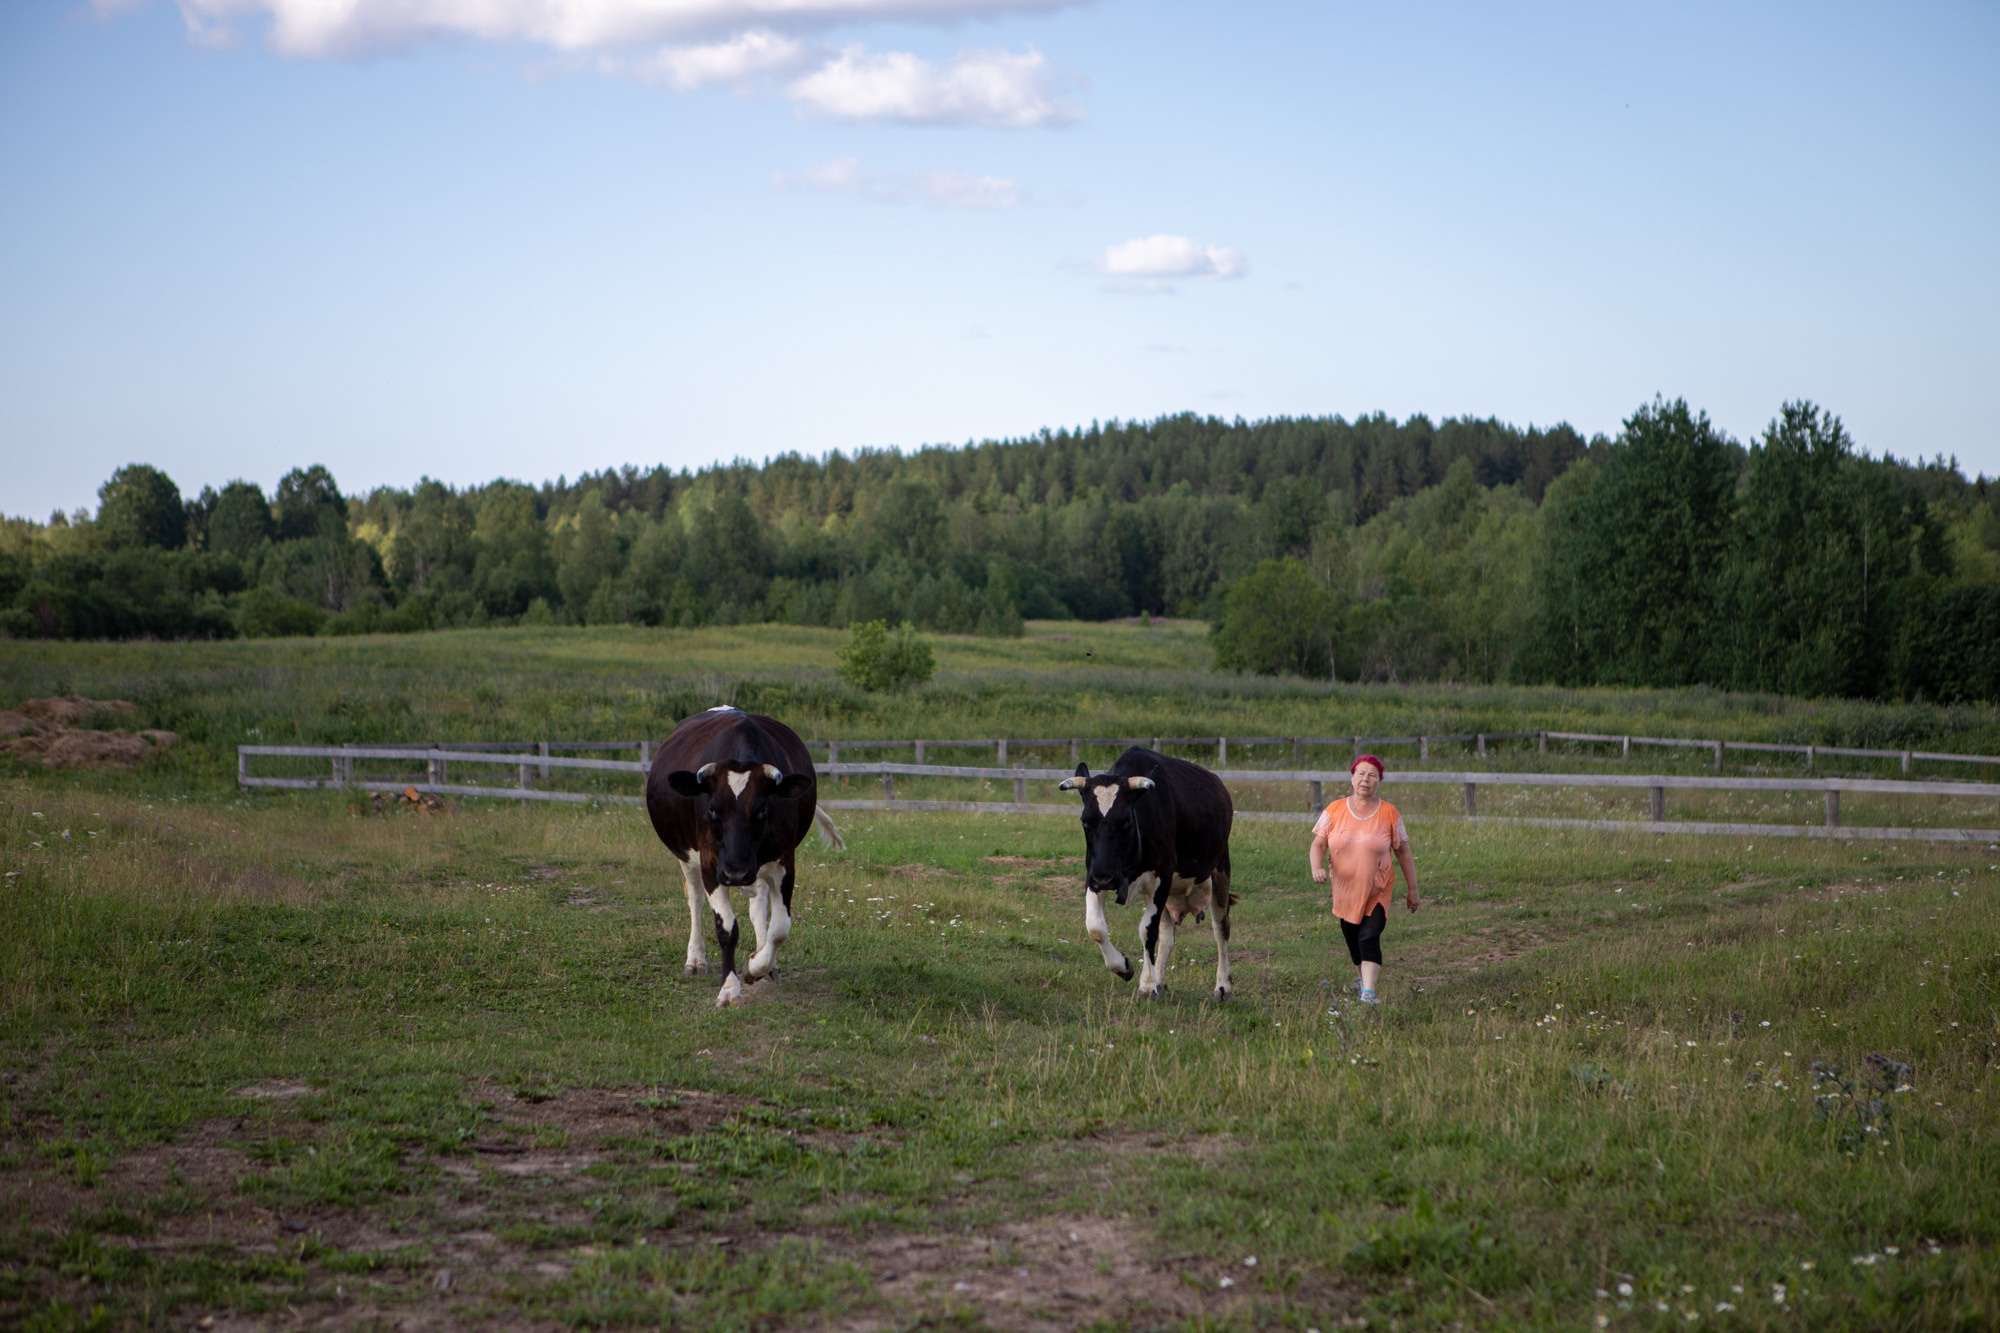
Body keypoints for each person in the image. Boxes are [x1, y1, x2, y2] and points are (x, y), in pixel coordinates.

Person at [1309, 754, 1419, 1004]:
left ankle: (1369, 993)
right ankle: (1363, 984)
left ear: (1379, 781)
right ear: (1351, 778)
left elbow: (1403, 852)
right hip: (1345, 891)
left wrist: (1413, 890)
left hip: (1377, 890)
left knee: (1368, 936)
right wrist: (1317, 867)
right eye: (1361, 773)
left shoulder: (1390, 813)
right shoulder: (1334, 809)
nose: (1365, 779)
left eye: (1372, 775)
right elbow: (1317, 845)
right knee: (1353, 940)